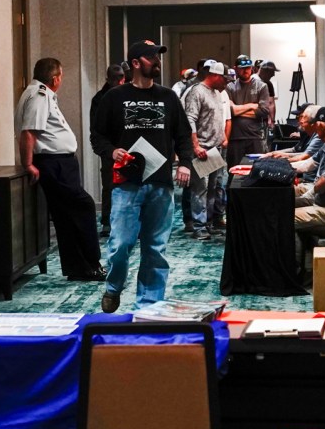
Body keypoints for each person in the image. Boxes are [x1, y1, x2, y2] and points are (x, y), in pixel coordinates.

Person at [91, 40, 194, 312]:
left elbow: (183, 135)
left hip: (161, 183)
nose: (157, 61)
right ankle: (114, 286)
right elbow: (97, 136)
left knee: (155, 248)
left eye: (158, 56)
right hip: (127, 183)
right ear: (136, 63)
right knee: (120, 245)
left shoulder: (168, 97)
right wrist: (112, 152)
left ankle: (149, 306)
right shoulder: (114, 97)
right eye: (151, 57)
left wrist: (185, 163)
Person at [17, 58, 104, 282]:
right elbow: (29, 132)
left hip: (59, 162)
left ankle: (81, 268)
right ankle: (90, 264)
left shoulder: (38, 93)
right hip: (54, 163)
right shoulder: (40, 95)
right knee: (83, 207)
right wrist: (28, 164)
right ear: (55, 78)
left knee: (67, 217)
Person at [183, 61, 231, 241]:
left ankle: (208, 223)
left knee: (212, 188)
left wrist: (222, 138)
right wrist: (196, 146)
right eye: (225, 79)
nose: (226, 83)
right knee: (200, 190)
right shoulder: (197, 92)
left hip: (215, 149)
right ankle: (199, 226)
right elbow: (190, 120)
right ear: (215, 75)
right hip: (202, 148)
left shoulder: (217, 93)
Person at [89, 63, 125, 238]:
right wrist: (108, 150)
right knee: (109, 186)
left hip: (128, 146)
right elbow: (96, 130)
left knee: (131, 186)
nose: (118, 82)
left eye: (120, 78)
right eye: (115, 79)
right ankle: (107, 223)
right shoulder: (100, 99)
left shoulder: (127, 94)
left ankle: (129, 222)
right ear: (108, 79)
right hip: (109, 148)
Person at [293, 106, 325, 228]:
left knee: (284, 215)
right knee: (282, 199)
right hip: (320, 198)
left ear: (320, 125)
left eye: (315, 124)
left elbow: (322, 183)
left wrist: (307, 196)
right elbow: (307, 165)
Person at [225, 53, 271, 169]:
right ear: (236, 69)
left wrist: (238, 110)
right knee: (234, 170)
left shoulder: (261, 86)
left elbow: (263, 111)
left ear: (252, 68)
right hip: (235, 137)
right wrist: (251, 105)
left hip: (255, 136)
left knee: (257, 169)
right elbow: (230, 112)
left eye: (248, 68)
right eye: (242, 68)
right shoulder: (230, 87)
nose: (245, 71)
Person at [256, 60, 280, 125]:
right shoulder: (252, 82)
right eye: (271, 72)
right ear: (264, 71)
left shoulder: (268, 84)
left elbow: (271, 103)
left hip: (263, 121)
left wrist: (272, 121)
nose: (273, 74)